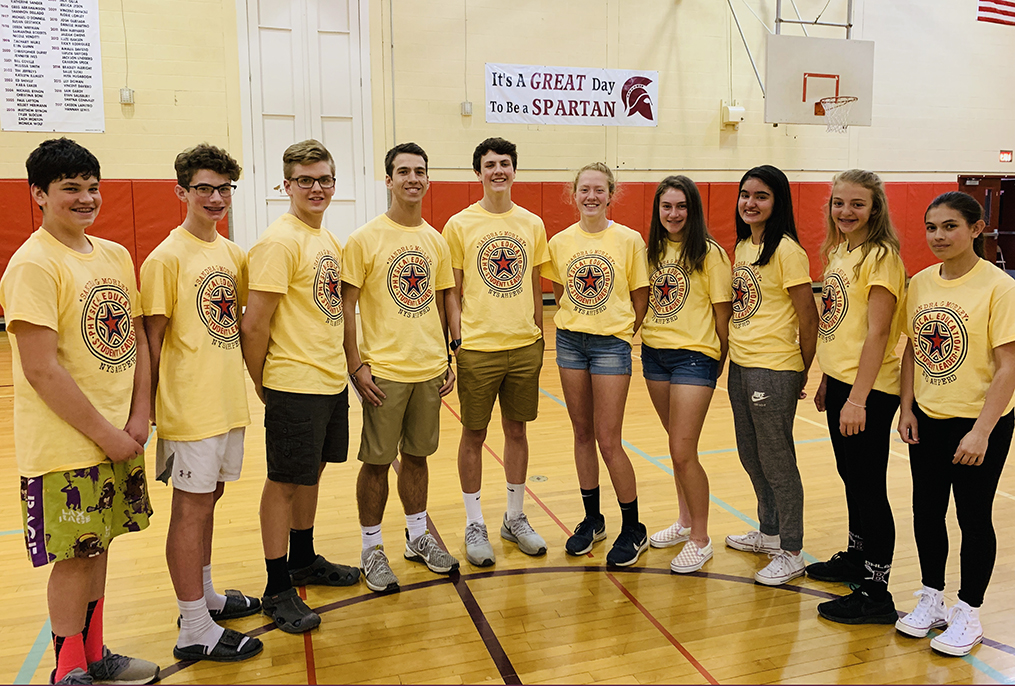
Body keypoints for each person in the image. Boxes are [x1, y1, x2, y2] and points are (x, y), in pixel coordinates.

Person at [0, 138, 160, 685]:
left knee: (101, 549)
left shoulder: (115, 254)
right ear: (39, 195)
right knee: (75, 558)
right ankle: (69, 670)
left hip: (121, 435)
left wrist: (140, 416)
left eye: (92, 187)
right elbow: (42, 369)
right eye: (71, 188)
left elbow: (136, 339)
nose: (86, 198)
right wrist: (106, 434)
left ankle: (96, 654)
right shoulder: (32, 265)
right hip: (68, 444)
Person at [141, 144, 263, 661]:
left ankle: (206, 596)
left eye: (224, 189)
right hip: (188, 410)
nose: (216, 198)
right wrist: (145, 415)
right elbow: (149, 345)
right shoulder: (165, 259)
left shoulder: (233, 255)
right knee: (189, 512)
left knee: (209, 502)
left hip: (227, 403)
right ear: (181, 192)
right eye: (204, 188)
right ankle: (193, 627)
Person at [240, 139, 360, 634]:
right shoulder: (279, 242)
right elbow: (253, 325)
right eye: (305, 180)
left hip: (328, 381)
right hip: (294, 383)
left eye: (324, 179)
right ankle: (276, 586)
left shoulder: (325, 239)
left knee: (309, 475)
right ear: (285, 185)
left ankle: (304, 558)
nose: (316, 188)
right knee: (284, 481)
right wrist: (266, 383)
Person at [895, 192, 1015, 657]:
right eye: (931, 227)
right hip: (928, 417)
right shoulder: (921, 282)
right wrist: (907, 407)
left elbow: (1008, 366)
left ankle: (969, 610)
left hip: (979, 422)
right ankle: (932, 597)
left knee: (972, 515)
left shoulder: (999, 287)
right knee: (926, 510)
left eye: (950, 226)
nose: (938, 236)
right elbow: (912, 349)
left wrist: (982, 430)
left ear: (976, 228)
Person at [342, 142, 459, 594]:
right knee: (376, 463)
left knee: (417, 458)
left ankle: (416, 538)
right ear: (388, 180)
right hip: (384, 373)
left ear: (428, 179)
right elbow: (345, 308)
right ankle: (372, 548)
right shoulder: (364, 239)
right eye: (403, 171)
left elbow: (446, 298)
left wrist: (451, 355)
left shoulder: (435, 240)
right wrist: (357, 365)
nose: (413, 178)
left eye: (420, 171)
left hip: (429, 369)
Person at [443, 138, 550, 566]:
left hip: (524, 346)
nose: (498, 170)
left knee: (518, 432)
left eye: (505, 163)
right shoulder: (459, 225)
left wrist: (540, 337)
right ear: (479, 173)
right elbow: (450, 291)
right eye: (490, 164)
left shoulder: (532, 223)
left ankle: (515, 516)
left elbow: (537, 286)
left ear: (514, 170)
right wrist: (456, 343)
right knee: (473, 435)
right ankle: (474, 522)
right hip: (478, 348)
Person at [808, 170, 907, 624]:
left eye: (857, 204)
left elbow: (879, 331)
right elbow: (837, 324)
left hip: (871, 390)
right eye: (838, 203)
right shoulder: (839, 253)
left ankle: (876, 588)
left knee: (868, 484)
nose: (845, 212)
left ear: (875, 209)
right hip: (844, 382)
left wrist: (859, 399)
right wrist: (830, 377)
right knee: (851, 475)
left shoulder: (881, 256)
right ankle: (855, 555)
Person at [545, 162, 651, 567]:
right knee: (582, 433)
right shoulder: (559, 242)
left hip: (611, 346)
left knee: (609, 439)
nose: (591, 196)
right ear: (574, 194)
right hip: (570, 343)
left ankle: (633, 527)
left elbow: (640, 294)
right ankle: (592, 520)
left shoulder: (628, 240)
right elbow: (560, 292)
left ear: (611, 194)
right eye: (584, 189)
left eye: (599, 190)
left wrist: (623, 332)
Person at [725, 164, 818, 586]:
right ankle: (769, 532)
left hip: (774, 368)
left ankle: (792, 550)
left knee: (778, 461)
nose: (750, 202)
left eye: (761, 196)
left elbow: (809, 318)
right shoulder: (745, 246)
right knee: (751, 453)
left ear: (777, 201)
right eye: (746, 194)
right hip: (741, 365)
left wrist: (800, 371)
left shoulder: (788, 251)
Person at [641, 176, 732, 574]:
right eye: (666, 207)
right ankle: (683, 522)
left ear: (692, 210)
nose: (673, 214)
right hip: (654, 356)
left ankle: (701, 538)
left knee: (683, 450)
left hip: (694, 358)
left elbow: (722, 315)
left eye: (681, 207)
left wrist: (718, 361)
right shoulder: (652, 251)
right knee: (675, 447)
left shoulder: (709, 253)